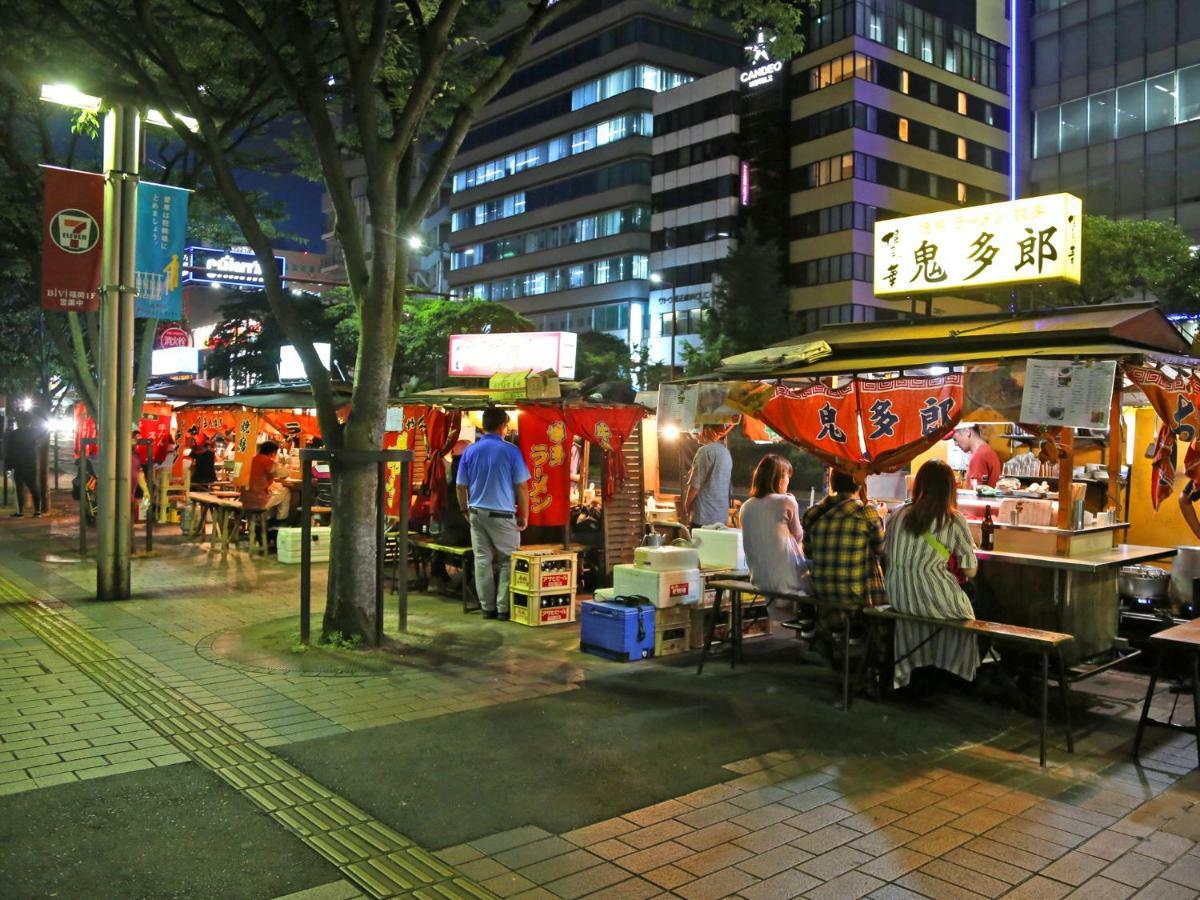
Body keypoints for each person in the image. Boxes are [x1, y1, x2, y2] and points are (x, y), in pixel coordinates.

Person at [884, 459, 981, 688]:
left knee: (932, 615)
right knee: (969, 613)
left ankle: (920, 669)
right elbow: (970, 570)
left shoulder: (897, 514)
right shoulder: (953, 519)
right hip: (933, 599)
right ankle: (957, 673)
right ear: (949, 488)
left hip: (899, 597)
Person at [454, 407, 531, 620]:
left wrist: (464, 509)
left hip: (476, 513)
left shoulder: (470, 451)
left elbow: (461, 486)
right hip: (502, 515)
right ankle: (503, 608)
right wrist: (524, 514)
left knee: (482, 560)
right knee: (508, 561)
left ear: (483, 426)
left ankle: (487, 607)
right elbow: (522, 487)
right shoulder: (511, 451)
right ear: (502, 426)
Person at [802, 469, 886, 610]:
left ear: (833, 483)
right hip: (857, 600)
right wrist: (880, 517)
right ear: (859, 483)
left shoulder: (814, 512)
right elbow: (880, 548)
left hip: (823, 597)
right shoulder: (866, 511)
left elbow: (808, 553)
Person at [740, 454, 809, 595]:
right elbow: (799, 536)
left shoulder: (746, 506)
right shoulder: (786, 501)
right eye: (787, 476)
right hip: (788, 582)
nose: (788, 481)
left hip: (759, 579)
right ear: (780, 478)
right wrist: (793, 501)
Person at [683, 425, 732, 528]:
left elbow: (695, 485)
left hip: (703, 517)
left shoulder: (705, 451)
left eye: (698, 430)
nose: (696, 434)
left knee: (700, 544)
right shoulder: (726, 452)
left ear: (706, 431)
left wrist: (685, 508)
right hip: (721, 517)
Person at [5, 414, 44, 518]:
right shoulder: (35, 432)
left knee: (19, 488)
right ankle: (37, 511)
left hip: (19, 464)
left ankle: (20, 512)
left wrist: (8, 465)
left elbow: (10, 451)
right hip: (31, 463)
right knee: (34, 487)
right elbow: (45, 430)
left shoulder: (14, 434)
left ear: (20, 421)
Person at [243, 440, 291, 520]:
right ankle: (281, 520)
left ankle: (266, 520)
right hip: (258, 499)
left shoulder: (252, 460)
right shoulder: (267, 461)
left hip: (246, 497)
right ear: (272, 453)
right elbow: (284, 473)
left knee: (275, 491)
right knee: (285, 491)